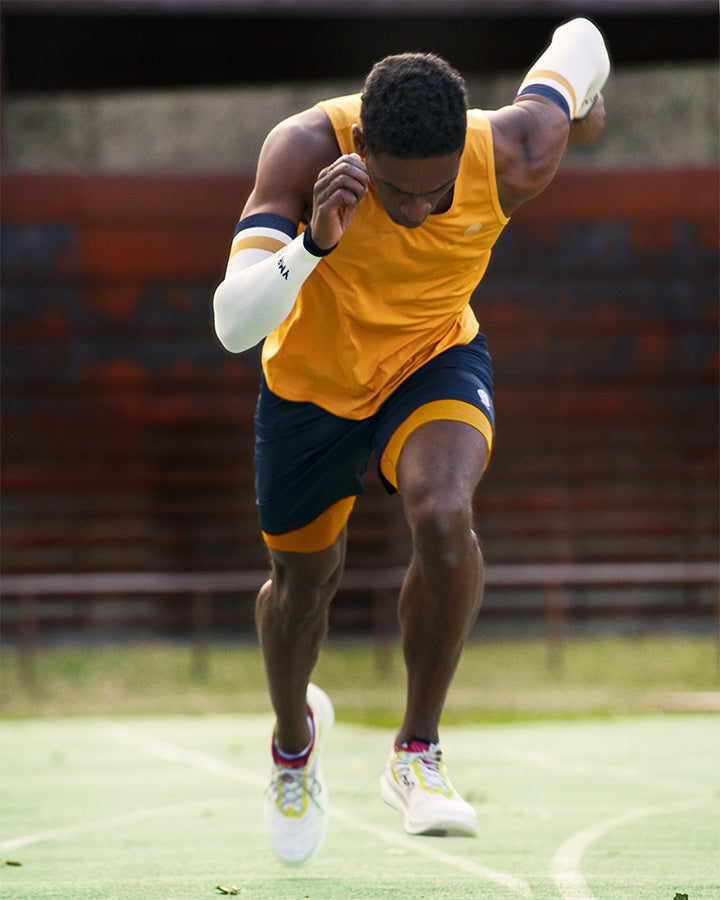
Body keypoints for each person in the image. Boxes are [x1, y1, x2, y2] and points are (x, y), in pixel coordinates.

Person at [214, 17, 609, 865]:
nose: (421, 209)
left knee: (443, 512)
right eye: (401, 194)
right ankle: (293, 742)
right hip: (311, 391)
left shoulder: (511, 153)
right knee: (301, 588)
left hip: (432, 360)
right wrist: (314, 241)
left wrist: (584, 100)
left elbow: (579, 37)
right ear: (363, 150)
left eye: (437, 193)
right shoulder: (302, 150)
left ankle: (416, 751)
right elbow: (232, 324)